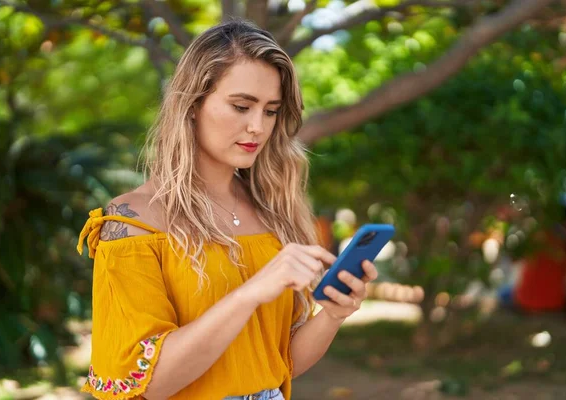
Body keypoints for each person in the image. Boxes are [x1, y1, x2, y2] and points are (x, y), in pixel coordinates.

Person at [76, 20, 378, 400]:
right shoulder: (131, 222)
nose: (257, 126)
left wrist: (334, 314)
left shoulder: (273, 211)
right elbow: (148, 384)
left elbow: (280, 364)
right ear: (192, 104)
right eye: (240, 106)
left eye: (271, 111)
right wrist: (252, 292)